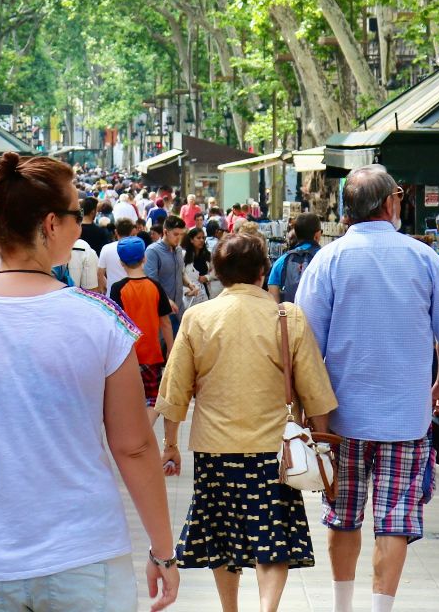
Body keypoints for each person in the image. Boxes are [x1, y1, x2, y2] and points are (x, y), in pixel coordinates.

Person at [0, 153, 178, 612]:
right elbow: (133, 446)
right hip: (86, 557)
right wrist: (163, 551)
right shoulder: (101, 320)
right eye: (76, 214)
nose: (80, 225)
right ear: (51, 224)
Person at [294, 164, 439, 612]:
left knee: (343, 516)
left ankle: (341, 607)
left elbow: (305, 344)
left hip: (341, 420)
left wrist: (310, 412)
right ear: (391, 203)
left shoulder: (327, 260)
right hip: (407, 419)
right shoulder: (423, 258)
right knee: (395, 522)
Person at [160, 232, 336, 612]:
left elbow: (175, 390)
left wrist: (170, 443)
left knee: (223, 536)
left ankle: (230, 609)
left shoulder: (197, 317)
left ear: (218, 272)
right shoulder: (287, 317)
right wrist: (323, 442)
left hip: (214, 448)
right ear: (261, 271)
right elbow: (315, 389)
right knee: (272, 537)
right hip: (274, 450)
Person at [109, 236, 174, 418]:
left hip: (126, 355)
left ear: (121, 262)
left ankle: (134, 429)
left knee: (128, 400)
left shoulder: (118, 289)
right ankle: (147, 427)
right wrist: (170, 348)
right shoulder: (155, 286)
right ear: (144, 258)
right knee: (153, 399)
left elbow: (115, 323)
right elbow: (165, 322)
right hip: (152, 355)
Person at [266, 214, 322, 303]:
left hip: (289, 311)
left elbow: (274, 302)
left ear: (295, 233)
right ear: (317, 235)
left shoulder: (281, 261)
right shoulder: (326, 258)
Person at [97, 217, 139, 290]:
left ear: (116, 232)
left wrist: (104, 288)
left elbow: (100, 274)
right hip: (131, 291)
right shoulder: (136, 249)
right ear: (131, 232)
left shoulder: (106, 248)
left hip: (112, 292)